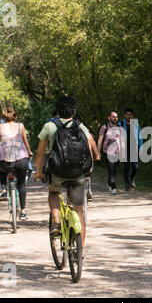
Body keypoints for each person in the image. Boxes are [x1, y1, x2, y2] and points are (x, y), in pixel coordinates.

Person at [35, 96, 98, 248]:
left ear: (58, 109)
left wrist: (39, 172)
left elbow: (40, 153)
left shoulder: (49, 126)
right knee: (79, 211)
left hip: (57, 172)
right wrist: (95, 157)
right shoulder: (80, 126)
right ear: (74, 111)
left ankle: (56, 221)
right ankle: (81, 251)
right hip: (78, 174)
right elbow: (91, 143)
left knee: (53, 193)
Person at [0, 107, 33, 220]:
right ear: (16, 117)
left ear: (4, 117)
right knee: (21, 184)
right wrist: (29, 152)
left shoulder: (0, 127)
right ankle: (23, 212)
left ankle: (3, 190)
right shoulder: (20, 126)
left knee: (1, 169)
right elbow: (25, 141)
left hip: (6, 162)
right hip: (21, 160)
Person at [97, 111, 125, 194]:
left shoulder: (120, 128)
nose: (115, 118)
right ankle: (113, 187)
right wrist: (98, 152)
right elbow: (100, 139)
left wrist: (123, 152)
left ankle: (110, 182)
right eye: (113, 116)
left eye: (116, 117)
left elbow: (122, 141)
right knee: (111, 168)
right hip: (107, 151)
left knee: (114, 169)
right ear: (109, 118)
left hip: (117, 152)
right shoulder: (104, 127)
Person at [120, 108, 143, 191]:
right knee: (126, 166)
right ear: (124, 115)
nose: (129, 116)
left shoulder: (136, 124)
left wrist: (141, 148)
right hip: (124, 148)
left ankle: (132, 178)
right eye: (127, 114)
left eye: (130, 115)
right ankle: (126, 183)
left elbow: (139, 136)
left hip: (134, 148)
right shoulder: (121, 124)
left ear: (132, 116)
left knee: (135, 166)